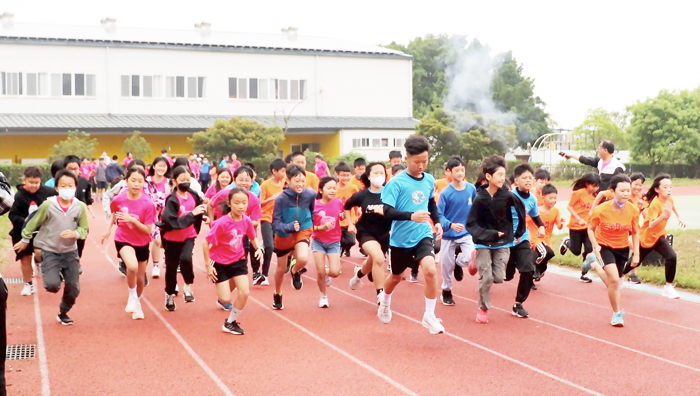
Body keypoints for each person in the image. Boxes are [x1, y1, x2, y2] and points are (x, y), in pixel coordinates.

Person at [378, 135, 445, 335]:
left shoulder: (429, 179)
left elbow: (430, 202)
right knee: (396, 277)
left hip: (423, 234)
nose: (421, 165)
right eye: (417, 162)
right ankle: (385, 301)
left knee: (431, 271)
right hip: (400, 240)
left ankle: (429, 315)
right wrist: (410, 216)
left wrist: (438, 221)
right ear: (407, 159)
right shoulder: (396, 183)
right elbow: (386, 211)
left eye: (425, 161)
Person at [14, 170, 89, 325]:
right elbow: (32, 223)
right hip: (50, 251)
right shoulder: (48, 205)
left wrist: (75, 233)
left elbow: (84, 229)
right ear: (56, 188)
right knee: (52, 285)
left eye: (70, 185)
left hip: (70, 252)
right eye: (63, 186)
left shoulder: (80, 207)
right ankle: (52, 272)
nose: (67, 188)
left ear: (75, 187)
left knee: (74, 288)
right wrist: (25, 240)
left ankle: (63, 311)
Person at [466, 155, 526, 324]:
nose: (502, 178)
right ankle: (483, 308)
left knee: (499, 277)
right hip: (483, 242)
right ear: (488, 177)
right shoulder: (480, 198)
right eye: (499, 175)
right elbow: (471, 223)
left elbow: (521, 211)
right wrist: (488, 234)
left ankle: (474, 262)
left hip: (503, 243)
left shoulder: (508, 196)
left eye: (504, 175)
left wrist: (518, 232)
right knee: (487, 278)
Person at [203, 188, 263, 335]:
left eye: (244, 203)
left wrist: (258, 248)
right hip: (220, 263)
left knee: (244, 292)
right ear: (229, 203)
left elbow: (252, 236)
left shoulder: (246, 220)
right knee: (225, 299)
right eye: (237, 203)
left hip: (238, 260)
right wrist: (208, 267)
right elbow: (205, 243)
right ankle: (222, 290)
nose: (241, 206)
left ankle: (230, 322)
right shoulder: (222, 223)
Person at [102, 167, 156, 320]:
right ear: (126, 181)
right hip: (123, 238)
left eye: (140, 181)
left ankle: (136, 302)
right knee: (131, 267)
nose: (136, 184)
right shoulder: (119, 199)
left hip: (142, 242)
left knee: (140, 279)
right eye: (133, 180)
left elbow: (147, 230)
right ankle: (132, 297)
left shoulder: (148, 204)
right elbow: (114, 213)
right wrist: (107, 229)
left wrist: (132, 220)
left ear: (144, 183)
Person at [587, 174, 640, 327]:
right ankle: (617, 314)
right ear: (613, 191)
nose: (626, 194)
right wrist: (595, 244)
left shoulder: (633, 210)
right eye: (622, 190)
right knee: (615, 281)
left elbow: (635, 232)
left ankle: (593, 264)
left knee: (612, 282)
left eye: (628, 191)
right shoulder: (601, 210)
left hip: (622, 248)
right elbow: (590, 229)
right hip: (604, 246)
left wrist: (636, 253)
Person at [623, 174, 684, 299]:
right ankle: (619, 275)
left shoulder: (669, 200)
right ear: (657, 189)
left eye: (671, 187)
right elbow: (651, 225)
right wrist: (663, 216)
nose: (669, 190)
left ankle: (668, 287)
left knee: (671, 256)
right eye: (665, 187)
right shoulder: (655, 204)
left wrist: (679, 217)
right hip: (647, 237)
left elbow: (672, 206)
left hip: (659, 236)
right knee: (635, 261)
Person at [158, 166, 206, 311]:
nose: (186, 182)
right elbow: (171, 222)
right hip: (172, 238)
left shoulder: (193, 195)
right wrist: (193, 214)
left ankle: (187, 286)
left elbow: (198, 211)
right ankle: (170, 294)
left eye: (188, 179)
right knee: (171, 268)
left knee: (186, 259)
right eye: (182, 180)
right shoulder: (172, 200)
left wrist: (203, 216)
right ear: (175, 181)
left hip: (188, 235)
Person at [271, 164, 316, 310]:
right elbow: (275, 223)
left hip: (303, 229)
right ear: (288, 180)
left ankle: (295, 270)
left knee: (303, 258)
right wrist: (288, 227)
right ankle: (277, 293)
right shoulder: (281, 199)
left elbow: (312, 210)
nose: (301, 184)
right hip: (284, 234)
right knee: (280, 269)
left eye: (303, 180)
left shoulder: (309, 195)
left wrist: (311, 222)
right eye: (297, 181)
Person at [591, 172, 649, 284]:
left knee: (636, 247)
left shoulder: (639, 199)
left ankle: (627, 273)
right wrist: (592, 209)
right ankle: (629, 274)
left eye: (640, 185)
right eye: (635, 184)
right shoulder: (617, 191)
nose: (637, 187)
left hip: (627, 231)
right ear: (629, 184)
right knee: (613, 281)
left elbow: (646, 219)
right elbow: (602, 194)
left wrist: (642, 209)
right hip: (610, 232)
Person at [504, 163, 545, 316]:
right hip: (507, 241)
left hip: (523, 238)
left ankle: (518, 303)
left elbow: (535, 216)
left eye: (530, 178)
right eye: (524, 178)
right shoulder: (508, 197)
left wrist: (541, 226)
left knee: (528, 268)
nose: (528, 180)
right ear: (516, 180)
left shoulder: (533, 199)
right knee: (506, 276)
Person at [8, 166, 56, 296]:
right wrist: (26, 222)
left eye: (37, 182)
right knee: (25, 257)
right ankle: (28, 284)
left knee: (40, 253)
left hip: (42, 231)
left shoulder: (49, 192)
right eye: (31, 182)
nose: (34, 185)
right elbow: (12, 215)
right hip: (22, 231)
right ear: (24, 180)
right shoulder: (19, 195)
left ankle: (39, 261)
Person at [437, 156, 477, 306]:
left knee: (470, 258)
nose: (460, 173)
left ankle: (458, 263)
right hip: (449, 235)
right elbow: (439, 214)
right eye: (457, 170)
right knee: (446, 266)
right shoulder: (446, 193)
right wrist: (450, 225)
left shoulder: (471, 189)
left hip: (466, 233)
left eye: (462, 169)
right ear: (449, 172)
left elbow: (476, 207)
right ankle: (446, 291)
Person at [347, 162, 390, 299]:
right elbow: (347, 206)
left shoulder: (390, 193)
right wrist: (350, 224)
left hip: (384, 233)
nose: (379, 176)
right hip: (366, 231)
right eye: (375, 173)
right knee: (378, 258)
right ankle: (380, 296)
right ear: (369, 176)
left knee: (373, 260)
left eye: (382, 173)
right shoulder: (362, 195)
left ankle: (359, 274)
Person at [559, 173, 601, 283]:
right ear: (587, 184)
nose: (595, 188)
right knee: (576, 251)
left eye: (597, 186)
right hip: (575, 227)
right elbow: (569, 206)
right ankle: (568, 242)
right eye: (593, 185)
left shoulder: (596, 197)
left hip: (588, 228)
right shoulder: (578, 193)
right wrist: (578, 219)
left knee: (588, 250)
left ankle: (584, 274)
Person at [311, 177, 343, 308]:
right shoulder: (314, 205)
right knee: (320, 272)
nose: (332, 190)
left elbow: (341, 215)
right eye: (329, 188)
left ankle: (327, 274)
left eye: (334, 188)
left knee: (335, 272)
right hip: (318, 241)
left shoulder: (339, 203)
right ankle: (323, 296)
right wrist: (321, 228)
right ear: (321, 189)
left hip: (334, 241)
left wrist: (341, 216)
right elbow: (309, 226)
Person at [257, 159, 287, 286]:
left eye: (285, 171)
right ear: (274, 171)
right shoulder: (265, 185)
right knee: (270, 246)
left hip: (280, 219)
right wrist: (271, 199)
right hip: (266, 217)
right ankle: (264, 274)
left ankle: (263, 247)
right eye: (282, 171)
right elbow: (259, 203)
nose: (284, 174)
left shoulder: (285, 184)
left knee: (278, 246)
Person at [529, 184, 565, 282]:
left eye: (555, 198)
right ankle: (532, 269)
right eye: (550, 198)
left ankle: (537, 271)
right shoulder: (536, 211)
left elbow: (558, 226)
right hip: (535, 239)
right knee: (545, 253)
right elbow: (526, 222)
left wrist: (561, 224)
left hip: (547, 240)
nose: (553, 200)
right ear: (543, 197)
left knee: (548, 256)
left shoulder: (556, 211)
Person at [560, 140, 625, 191]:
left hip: (607, 199)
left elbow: (618, 185)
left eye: (599, 149)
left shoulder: (618, 167)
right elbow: (585, 159)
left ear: (605, 150)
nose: (598, 151)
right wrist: (571, 155)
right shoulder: (599, 161)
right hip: (596, 196)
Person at [333, 162, 360, 257]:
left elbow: (357, 202)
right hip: (337, 219)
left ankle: (346, 248)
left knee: (351, 240)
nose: (345, 178)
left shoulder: (353, 188)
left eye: (347, 175)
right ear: (337, 175)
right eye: (343, 175)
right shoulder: (334, 188)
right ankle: (339, 249)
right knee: (338, 239)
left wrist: (357, 213)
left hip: (349, 219)